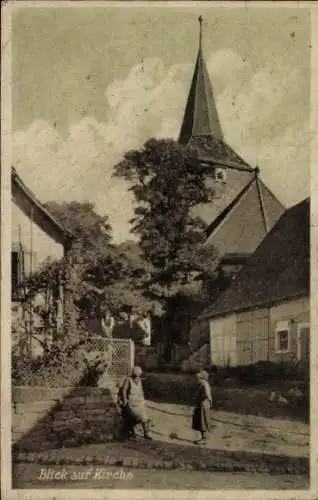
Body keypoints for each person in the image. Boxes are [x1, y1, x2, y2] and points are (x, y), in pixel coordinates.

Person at [117, 366, 152, 440]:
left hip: (138, 403)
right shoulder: (128, 380)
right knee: (132, 416)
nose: (136, 377)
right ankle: (131, 434)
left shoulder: (139, 380)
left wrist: (143, 400)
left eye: (137, 376)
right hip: (131, 403)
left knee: (144, 417)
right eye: (135, 376)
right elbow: (124, 390)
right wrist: (125, 400)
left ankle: (147, 432)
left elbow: (141, 391)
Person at [192, 369, 213, 444]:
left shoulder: (205, 384)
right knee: (200, 421)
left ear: (203, 378)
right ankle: (203, 438)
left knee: (203, 421)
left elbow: (208, 395)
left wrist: (210, 402)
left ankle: (205, 439)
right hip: (200, 405)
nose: (198, 380)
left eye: (199, 378)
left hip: (203, 405)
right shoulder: (202, 384)